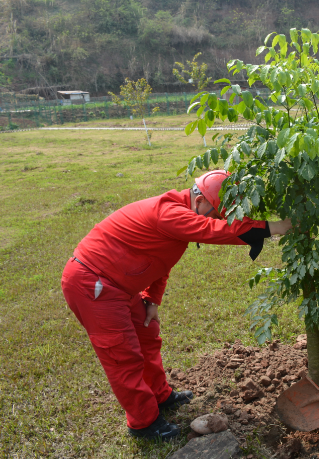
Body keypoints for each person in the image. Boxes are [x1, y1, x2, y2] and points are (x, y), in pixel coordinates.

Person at [60, 170, 292, 440]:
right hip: (94, 284)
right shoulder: (170, 213)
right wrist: (272, 227)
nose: (217, 218)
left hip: (120, 284)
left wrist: (151, 298)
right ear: (201, 201)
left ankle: (161, 396)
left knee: (147, 337)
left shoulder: (180, 217)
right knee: (122, 355)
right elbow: (211, 230)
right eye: (217, 212)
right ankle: (143, 423)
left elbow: (161, 261)